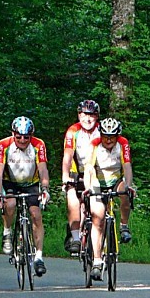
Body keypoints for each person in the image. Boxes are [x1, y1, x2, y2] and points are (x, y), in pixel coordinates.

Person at [0, 116, 51, 277]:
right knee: (10, 205)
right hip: (10, 182)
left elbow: (43, 169)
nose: (23, 140)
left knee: (36, 215)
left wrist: (45, 189)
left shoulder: (38, 145)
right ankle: (7, 232)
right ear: (13, 134)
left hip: (31, 183)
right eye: (19, 137)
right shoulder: (3, 145)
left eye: (27, 137)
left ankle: (39, 256)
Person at [82, 118, 136, 281]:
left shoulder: (123, 143)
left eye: (113, 136)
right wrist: (88, 187)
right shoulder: (94, 144)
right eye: (106, 136)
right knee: (98, 219)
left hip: (115, 180)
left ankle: (124, 226)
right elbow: (89, 168)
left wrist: (128, 184)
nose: (109, 140)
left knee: (125, 193)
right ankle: (97, 261)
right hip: (98, 181)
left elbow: (127, 166)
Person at [60, 99, 101, 254]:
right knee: (73, 200)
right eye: (84, 114)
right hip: (76, 171)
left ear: (97, 116)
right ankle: (75, 238)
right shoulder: (73, 131)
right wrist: (65, 176)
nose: (88, 119)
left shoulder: (101, 130)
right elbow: (67, 156)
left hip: (96, 172)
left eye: (91, 115)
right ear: (79, 115)